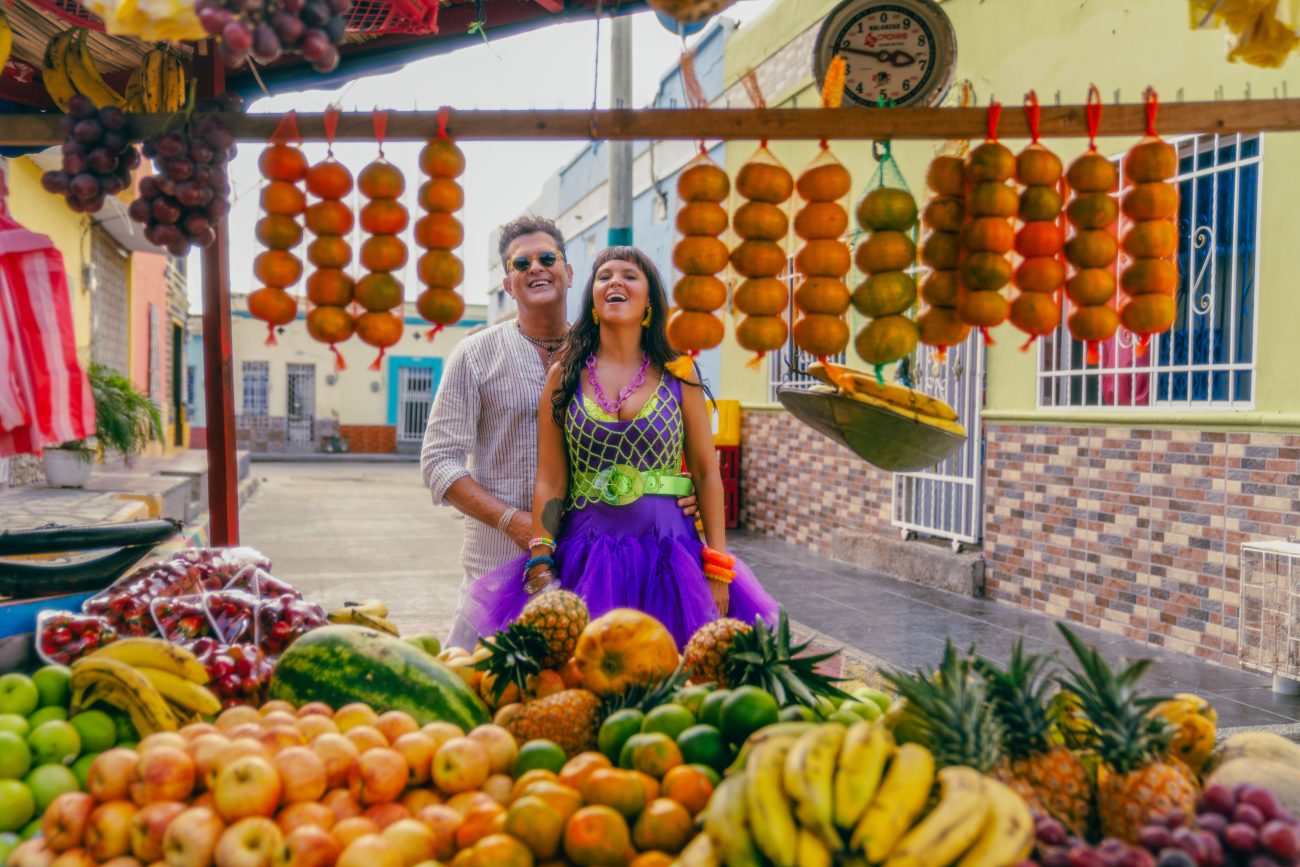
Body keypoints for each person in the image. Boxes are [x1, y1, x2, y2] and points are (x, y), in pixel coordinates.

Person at [455, 246, 777, 648]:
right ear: (592, 298)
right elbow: (551, 480)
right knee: (590, 673)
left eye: (630, 275)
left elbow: (707, 472)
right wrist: (540, 556)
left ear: (648, 301)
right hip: (586, 559)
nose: (615, 282)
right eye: (605, 276)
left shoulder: (680, 371)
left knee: (677, 675)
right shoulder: (563, 374)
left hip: (671, 556)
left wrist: (717, 566)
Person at [422, 219, 697, 652]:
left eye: (548, 258)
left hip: (590, 566)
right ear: (509, 284)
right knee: (480, 693)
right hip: (495, 566)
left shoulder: (601, 354)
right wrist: (515, 523)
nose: (537, 268)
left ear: (570, 274)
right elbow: (439, 463)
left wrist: (677, 489)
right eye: (522, 263)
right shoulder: (475, 355)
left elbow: (651, 430)